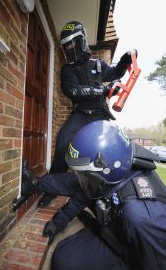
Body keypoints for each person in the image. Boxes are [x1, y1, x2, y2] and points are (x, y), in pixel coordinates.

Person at [47, 120, 166, 270]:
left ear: (109, 168)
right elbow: (81, 197)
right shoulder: (113, 175)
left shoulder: (141, 217)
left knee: (67, 269)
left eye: (84, 175)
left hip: (134, 259)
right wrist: (57, 222)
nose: (81, 180)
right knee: (64, 255)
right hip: (117, 235)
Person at [37, 20, 137, 208]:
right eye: (66, 45)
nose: (70, 48)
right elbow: (72, 91)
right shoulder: (67, 69)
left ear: (82, 41)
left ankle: (112, 192)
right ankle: (51, 189)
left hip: (100, 114)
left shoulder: (98, 64)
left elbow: (115, 73)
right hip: (80, 114)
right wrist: (103, 92)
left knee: (112, 148)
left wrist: (125, 60)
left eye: (73, 43)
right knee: (62, 142)